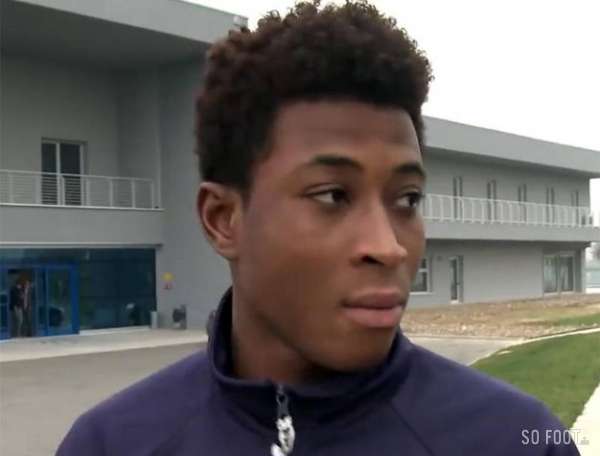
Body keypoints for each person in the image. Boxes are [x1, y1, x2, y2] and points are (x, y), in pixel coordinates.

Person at [57, 1, 580, 454]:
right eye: (332, 195)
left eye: (407, 199)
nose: (388, 247)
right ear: (223, 220)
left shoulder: (517, 441)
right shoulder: (112, 444)